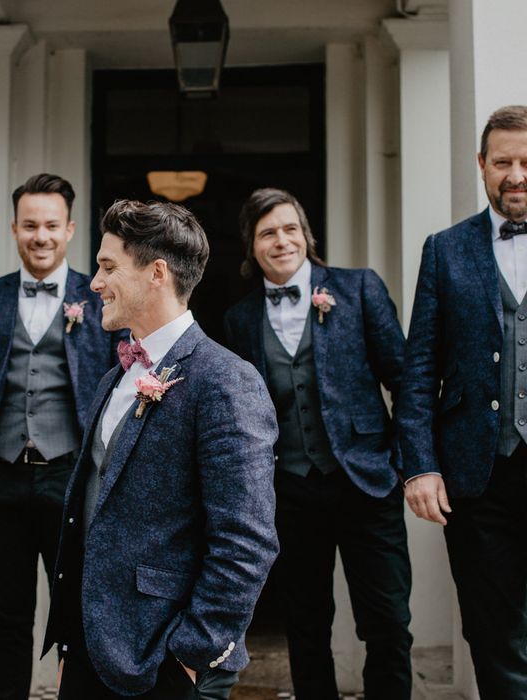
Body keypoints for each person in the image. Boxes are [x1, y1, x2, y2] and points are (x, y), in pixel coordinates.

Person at [43, 199, 278, 700]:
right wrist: (71, 645)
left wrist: (190, 656)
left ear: (156, 273)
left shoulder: (226, 381)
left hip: (164, 661)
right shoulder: (117, 375)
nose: (94, 282)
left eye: (108, 267)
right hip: (94, 650)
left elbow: (246, 540)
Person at [224, 188, 412, 699]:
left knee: (388, 622)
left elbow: (405, 378)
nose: (281, 241)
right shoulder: (239, 320)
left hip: (367, 484)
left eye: (290, 229)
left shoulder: (358, 289)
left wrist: (403, 462)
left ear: (306, 235)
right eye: (267, 233)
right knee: (306, 627)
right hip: (289, 493)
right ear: (252, 247)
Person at [0, 173, 121, 700]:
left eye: (50, 225)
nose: (39, 236)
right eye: (29, 226)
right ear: (14, 229)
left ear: (69, 229)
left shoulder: (99, 296)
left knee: (76, 617)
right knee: (10, 618)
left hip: (70, 478)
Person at [397, 105, 527, 698]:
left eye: (526, 162)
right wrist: (420, 465)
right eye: (503, 162)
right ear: (482, 166)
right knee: (491, 628)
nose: (516, 174)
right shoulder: (446, 250)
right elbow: (418, 369)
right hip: (479, 475)